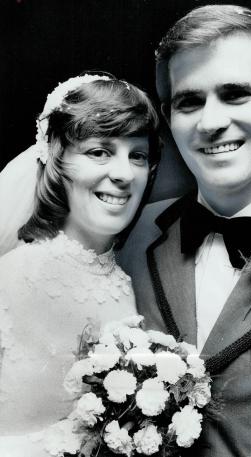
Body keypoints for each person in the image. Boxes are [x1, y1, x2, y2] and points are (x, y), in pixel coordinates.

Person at [118, 5, 251, 456]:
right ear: (169, 117)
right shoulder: (128, 236)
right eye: (190, 101)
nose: (211, 123)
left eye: (235, 95)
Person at [0, 73, 160, 456]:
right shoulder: (29, 276)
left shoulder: (125, 271)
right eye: (99, 152)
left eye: (137, 155)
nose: (123, 174)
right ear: (58, 161)